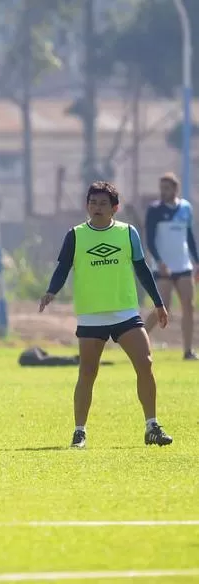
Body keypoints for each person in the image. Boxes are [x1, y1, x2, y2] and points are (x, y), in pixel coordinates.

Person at [40, 181, 173, 449]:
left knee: (145, 363)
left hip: (125, 312)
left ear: (115, 208)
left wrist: (158, 303)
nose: (96, 208)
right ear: (87, 206)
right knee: (87, 373)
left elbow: (142, 269)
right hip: (92, 315)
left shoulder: (127, 233)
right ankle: (79, 432)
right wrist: (51, 291)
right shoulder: (76, 235)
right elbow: (63, 267)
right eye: (92, 203)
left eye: (102, 203)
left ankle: (152, 426)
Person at [144, 172, 199, 359]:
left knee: (188, 307)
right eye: (161, 188)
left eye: (167, 188)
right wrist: (160, 262)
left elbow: (190, 237)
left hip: (183, 265)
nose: (163, 192)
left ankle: (188, 351)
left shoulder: (186, 208)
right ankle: (137, 339)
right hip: (163, 267)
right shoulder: (154, 210)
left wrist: (197, 262)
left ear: (175, 189)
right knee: (163, 306)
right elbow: (150, 240)